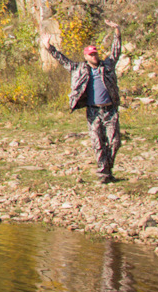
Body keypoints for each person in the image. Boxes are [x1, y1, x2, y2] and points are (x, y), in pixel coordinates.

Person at [46, 18, 123, 182]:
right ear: (85, 56)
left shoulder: (107, 65)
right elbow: (63, 60)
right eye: (91, 54)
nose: (94, 56)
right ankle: (104, 172)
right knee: (98, 142)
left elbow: (116, 51)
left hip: (110, 109)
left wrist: (117, 31)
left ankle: (108, 168)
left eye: (95, 53)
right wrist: (49, 48)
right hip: (93, 110)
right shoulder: (79, 69)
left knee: (114, 141)